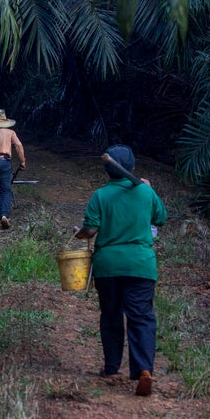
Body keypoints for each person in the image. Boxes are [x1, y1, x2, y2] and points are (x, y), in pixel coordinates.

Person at [72, 144, 167, 396]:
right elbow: (161, 218)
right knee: (141, 317)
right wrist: (150, 189)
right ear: (133, 168)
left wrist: (78, 234)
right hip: (141, 265)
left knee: (111, 314)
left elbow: (90, 230)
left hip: (108, 266)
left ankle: (112, 368)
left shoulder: (100, 196)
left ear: (107, 170)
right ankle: (144, 370)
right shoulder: (145, 193)